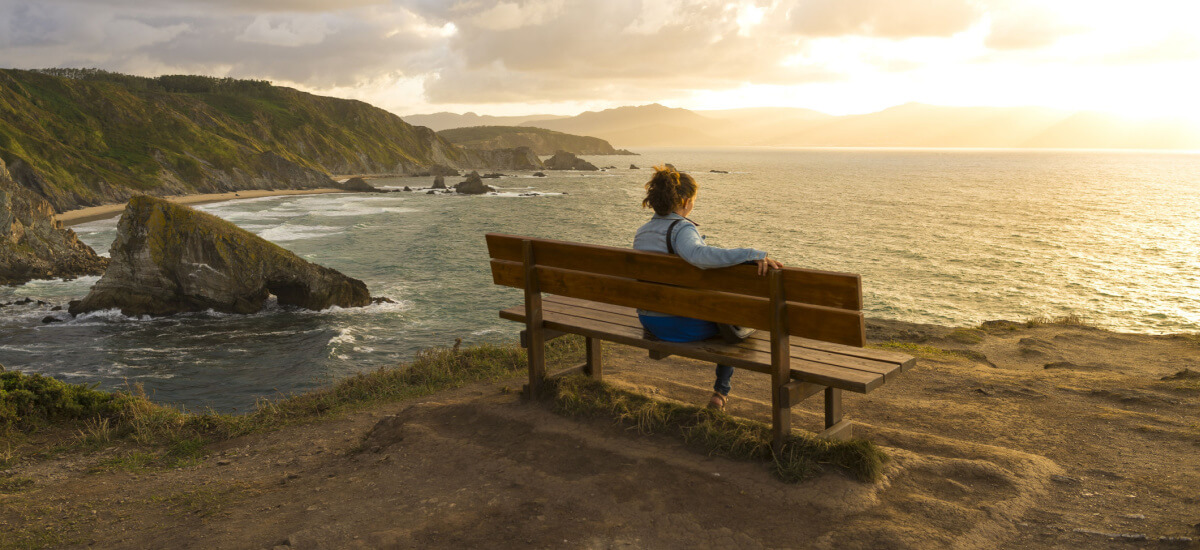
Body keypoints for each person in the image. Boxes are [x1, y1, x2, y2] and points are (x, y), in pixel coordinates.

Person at [633, 165, 783, 411]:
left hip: (650, 320)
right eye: (692, 200)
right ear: (684, 201)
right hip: (679, 326)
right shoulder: (681, 228)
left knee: (725, 311)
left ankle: (720, 393)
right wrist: (750, 254)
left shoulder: (643, 232)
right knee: (734, 321)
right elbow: (698, 254)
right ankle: (720, 393)